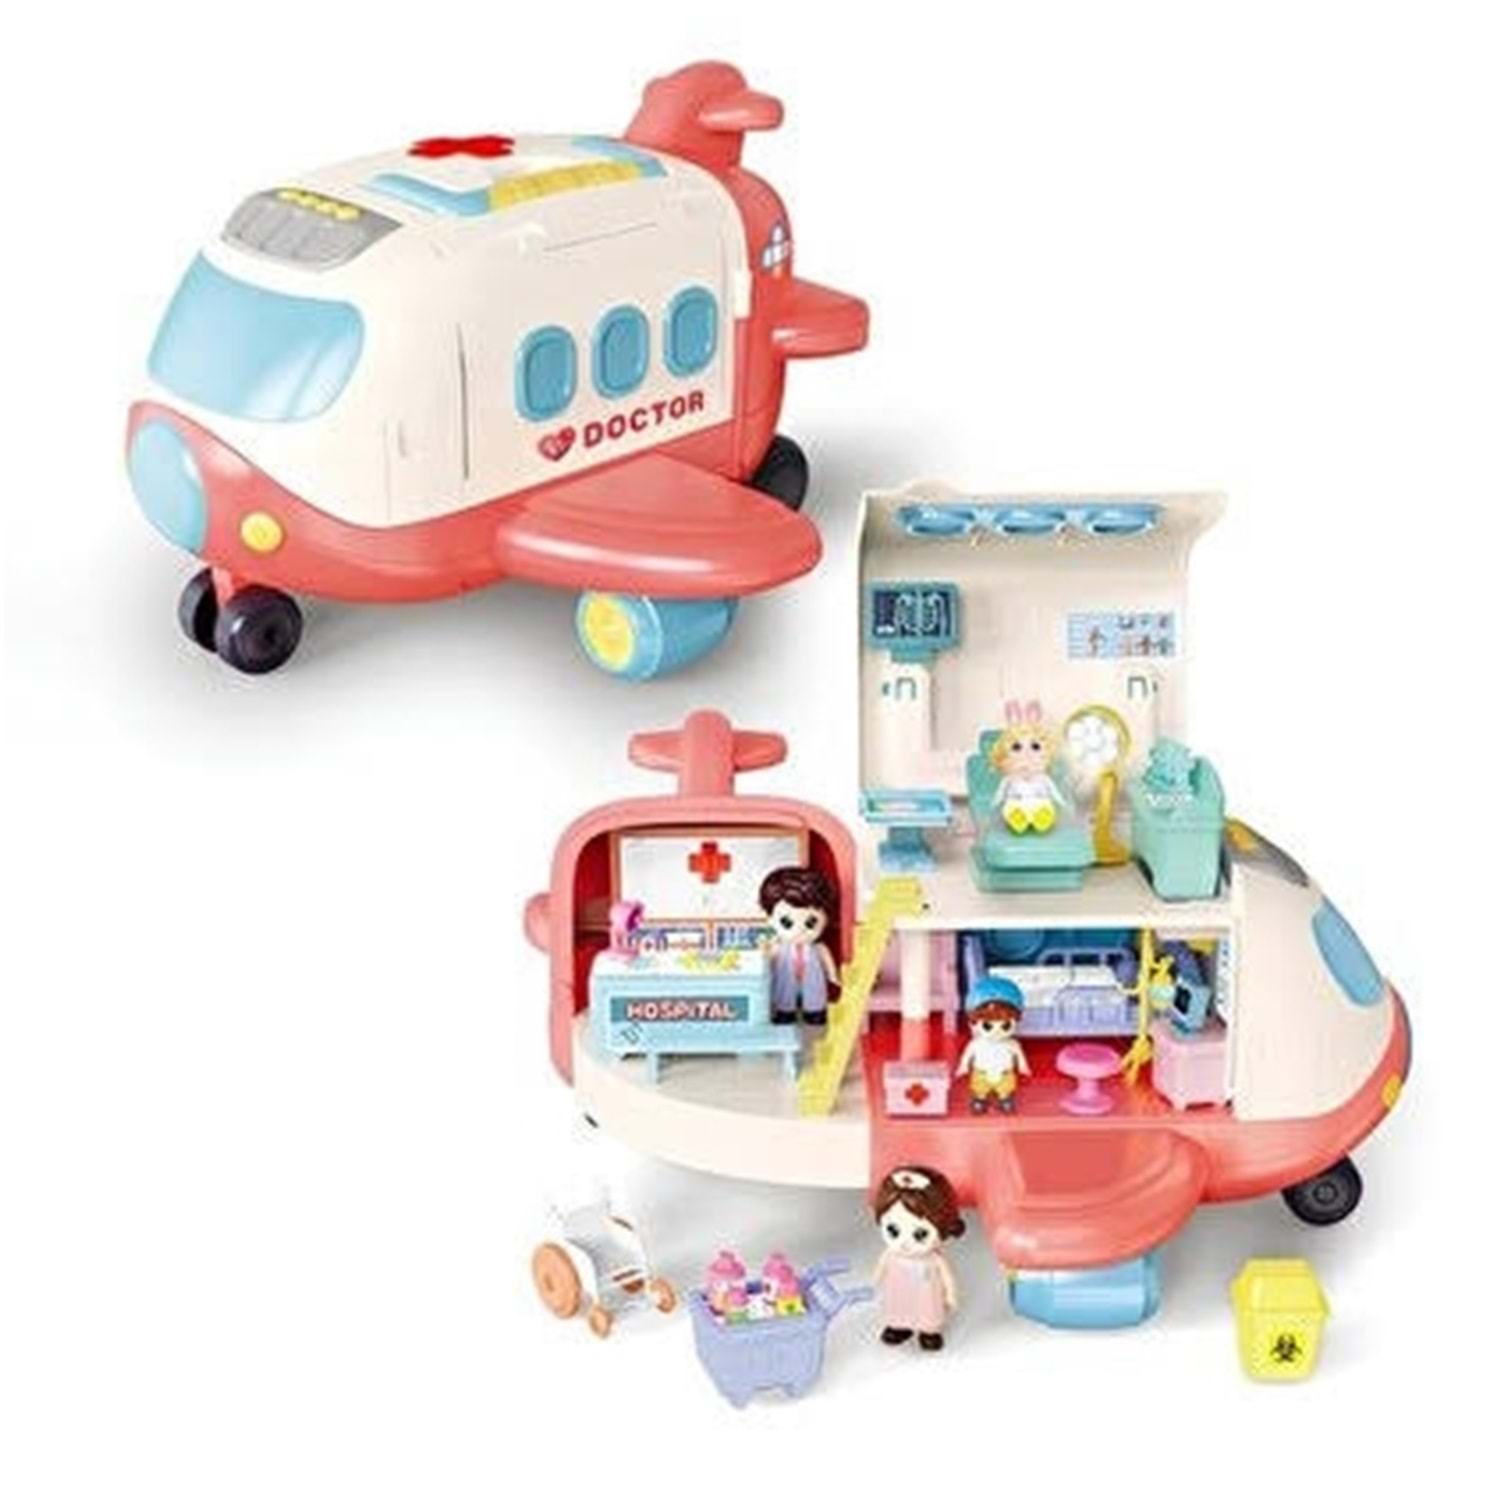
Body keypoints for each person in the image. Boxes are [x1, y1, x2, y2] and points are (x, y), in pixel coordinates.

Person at [872, 1166, 964, 1351]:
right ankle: (898, 1327)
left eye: (920, 1234)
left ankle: (928, 1332)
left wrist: (951, 1296)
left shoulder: (934, 1259)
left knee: (928, 1312)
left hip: (926, 1296)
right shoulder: (891, 1254)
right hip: (898, 1292)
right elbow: (879, 1270)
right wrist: (875, 1282)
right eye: (893, 1231)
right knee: (897, 1306)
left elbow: (947, 1278)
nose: (904, 1243)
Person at [758, 865, 839, 1025]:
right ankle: (785, 1011)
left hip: (812, 975)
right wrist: (764, 968)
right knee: (784, 990)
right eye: (787, 923)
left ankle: (815, 1011)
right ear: (770, 918)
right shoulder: (778, 947)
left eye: (811, 923)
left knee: (814, 990)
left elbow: (827, 960)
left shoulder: (818, 948)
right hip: (786, 974)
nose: (799, 930)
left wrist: (833, 976)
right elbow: (768, 961)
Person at [956, 976, 1030, 1114]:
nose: (997, 1031)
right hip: (981, 1073)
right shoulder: (976, 1044)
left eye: (1005, 1025)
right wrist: (963, 1067)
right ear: (972, 1022)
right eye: (988, 1026)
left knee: (1006, 1088)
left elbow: (1019, 1057)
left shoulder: (1012, 1044)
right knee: (980, 1088)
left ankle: (1005, 1100)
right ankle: (979, 1099)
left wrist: (1023, 1067)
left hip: (1004, 1074)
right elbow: (967, 1056)